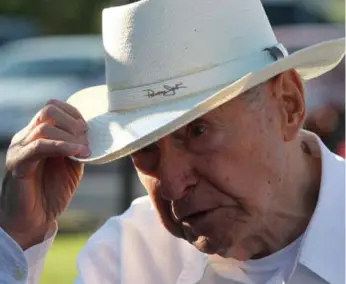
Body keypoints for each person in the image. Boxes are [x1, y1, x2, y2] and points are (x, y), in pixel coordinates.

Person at [0, 0, 345, 283]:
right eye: (145, 148)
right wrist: (16, 240)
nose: (173, 186)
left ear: (288, 105)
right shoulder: (130, 255)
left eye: (197, 131)